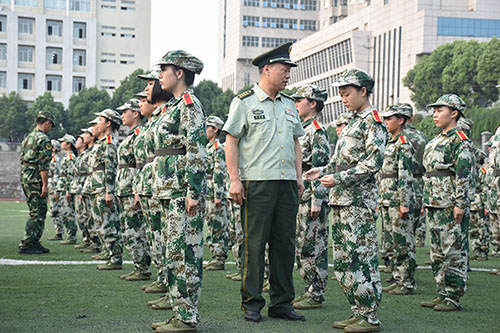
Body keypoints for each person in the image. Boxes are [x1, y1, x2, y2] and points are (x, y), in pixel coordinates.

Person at [224, 42, 306, 323]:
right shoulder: (244, 102)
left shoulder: (289, 105)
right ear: (267, 69)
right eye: (284, 70)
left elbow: (296, 142)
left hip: (286, 184)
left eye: (289, 71)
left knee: (284, 244)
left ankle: (282, 303)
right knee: (255, 244)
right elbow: (231, 142)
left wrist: (298, 176)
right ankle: (252, 302)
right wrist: (235, 180)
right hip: (256, 183)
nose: (288, 76)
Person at [306, 68, 386, 332]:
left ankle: (369, 315)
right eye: (340, 93)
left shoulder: (372, 120)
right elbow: (343, 162)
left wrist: (338, 179)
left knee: (360, 257)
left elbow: (372, 163)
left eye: (347, 93)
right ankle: (358, 309)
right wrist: (324, 171)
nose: (343, 98)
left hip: (358, 202)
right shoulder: (352, 121)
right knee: (343, 260)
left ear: (363, 91)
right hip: (341, 199)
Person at [151, 50, 207, 332]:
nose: (160, 74)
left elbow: (196, 151)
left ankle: (187, 316)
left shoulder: (189, 105)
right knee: (171, 253)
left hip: (181, 192)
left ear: (180, 73)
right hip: (167, 190)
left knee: (184, 253)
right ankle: (179, 312)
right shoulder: (172, 106)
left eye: (164, 68)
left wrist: (193, 192)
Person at [420, 94, 474, 311]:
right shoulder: (435, 140)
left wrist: (460, 203)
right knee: (437, 251)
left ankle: (453, 296)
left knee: (453, 251)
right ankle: (441, 292)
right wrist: (426, 200)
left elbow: (463, 175)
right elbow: (429, 173)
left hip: (450, 204)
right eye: (434, 111)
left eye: (439, 110)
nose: (435, 114)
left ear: (454, 113)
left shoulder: (460, 140)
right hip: (434, 202)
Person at [290, 84, 330, 310]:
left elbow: (321, 168)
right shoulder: (301, 129)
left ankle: (316, 291)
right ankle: (309, 288)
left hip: (311, 198)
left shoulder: (316, 131)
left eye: (299, 101)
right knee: (301, 245)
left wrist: (317, 200)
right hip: (299, 196)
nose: (296, 105)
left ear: (312, 103)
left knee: (313, 246)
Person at [135, 70, 172, 308]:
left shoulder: (171, 112)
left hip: (166, 183)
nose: (148, 89)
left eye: (151, 83)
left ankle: (171, 287)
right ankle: (164, 279)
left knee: (166, 237)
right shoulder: (157, 118)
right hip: (153, 182)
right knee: (156, 235)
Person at [378, 104, 416, 296]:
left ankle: (406, 281)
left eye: (388, 119)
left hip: (397, 199)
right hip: (386, 199)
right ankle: (397, 276)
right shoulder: (389, 142)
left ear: (400, 120)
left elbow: (405, 176)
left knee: (403, 242)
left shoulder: (403, 143)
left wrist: (404, 202)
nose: (385, 123)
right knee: (391, 241)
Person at [116, 98, 152, 281]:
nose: (122, 115)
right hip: (125, 187)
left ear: (135, 113)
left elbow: (141, 163)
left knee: (136, 228)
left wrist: (138, 189)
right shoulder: (132, 134)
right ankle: (139, 264)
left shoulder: (140, 134)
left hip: (132, 186)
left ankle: (143, 266)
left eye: (125, 112)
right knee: (129, 228)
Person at [89, 109, 123, 270]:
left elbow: (110, 168)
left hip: (104, 189)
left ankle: (115, 257)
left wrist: (109, 191)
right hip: (98, 188)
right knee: (101, 222)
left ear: (108, 123)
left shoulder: (109, 142)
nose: (97, 123)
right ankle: (109, 252)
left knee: (108, 222)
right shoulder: (101, 143)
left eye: (100, 120)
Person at [18, 111, 55, 254]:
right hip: (35, 178)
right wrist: (45, 185)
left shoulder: (28, 138)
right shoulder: (43, 139)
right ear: (47, 123)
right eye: (50, 126)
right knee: (37, 212)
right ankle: (28, 243)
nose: (50, 128)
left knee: (36, 210)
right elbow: (43, 165)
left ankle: (34, 241)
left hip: (26, 176)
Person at [203, 115, 230, 271]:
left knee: (217, 224)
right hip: (207, 190)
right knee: (211, 223)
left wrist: (218, 195)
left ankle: (219, 257)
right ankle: (215, 254)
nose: (205, 130)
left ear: (215, 130)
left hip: (214, 191)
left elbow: (219, 172)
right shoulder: (208, 148)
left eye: (208, 127)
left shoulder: (217, 149)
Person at [403, 108, 429, 247]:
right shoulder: (423, 137)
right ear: (411, 118)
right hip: (418, 182)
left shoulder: (393, 136)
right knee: (414, 223)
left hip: (396, 183)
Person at [81, 120, 102, 254]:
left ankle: (99, 245)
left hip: (99, 185)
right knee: (89, 216)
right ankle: (92, 241)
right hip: (91, 184)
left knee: (101, 219)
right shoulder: (95, 148)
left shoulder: (106, 143)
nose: (83, 137)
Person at [54, 134, 78, 245]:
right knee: (63, 212)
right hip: (63, 187)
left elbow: (70, 175)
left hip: (66, 188)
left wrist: (68, 190)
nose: (61, 144)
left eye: (63, 142)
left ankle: (72, 236)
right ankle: (69, 235)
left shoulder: (70, 157)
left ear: (69, 144)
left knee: (68, 212)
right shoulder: (66, 156)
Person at [71, 130, 92, 250]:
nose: (77, 141)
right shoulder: (80, 156)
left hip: (83, 187)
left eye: (79, 139)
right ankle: (86, 239)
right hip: (78, 187)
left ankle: (91, 240)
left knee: (86, 215)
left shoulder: (87, 154)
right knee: (81, 216)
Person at [47, 139, 64, 241]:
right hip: (50, 188)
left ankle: (59, 232)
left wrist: (56, 191)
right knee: (53, 211)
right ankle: (58, 231)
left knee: (54, 211)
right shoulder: (51, 159)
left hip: (53, 188)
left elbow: (56, 176)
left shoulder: (55, 160)